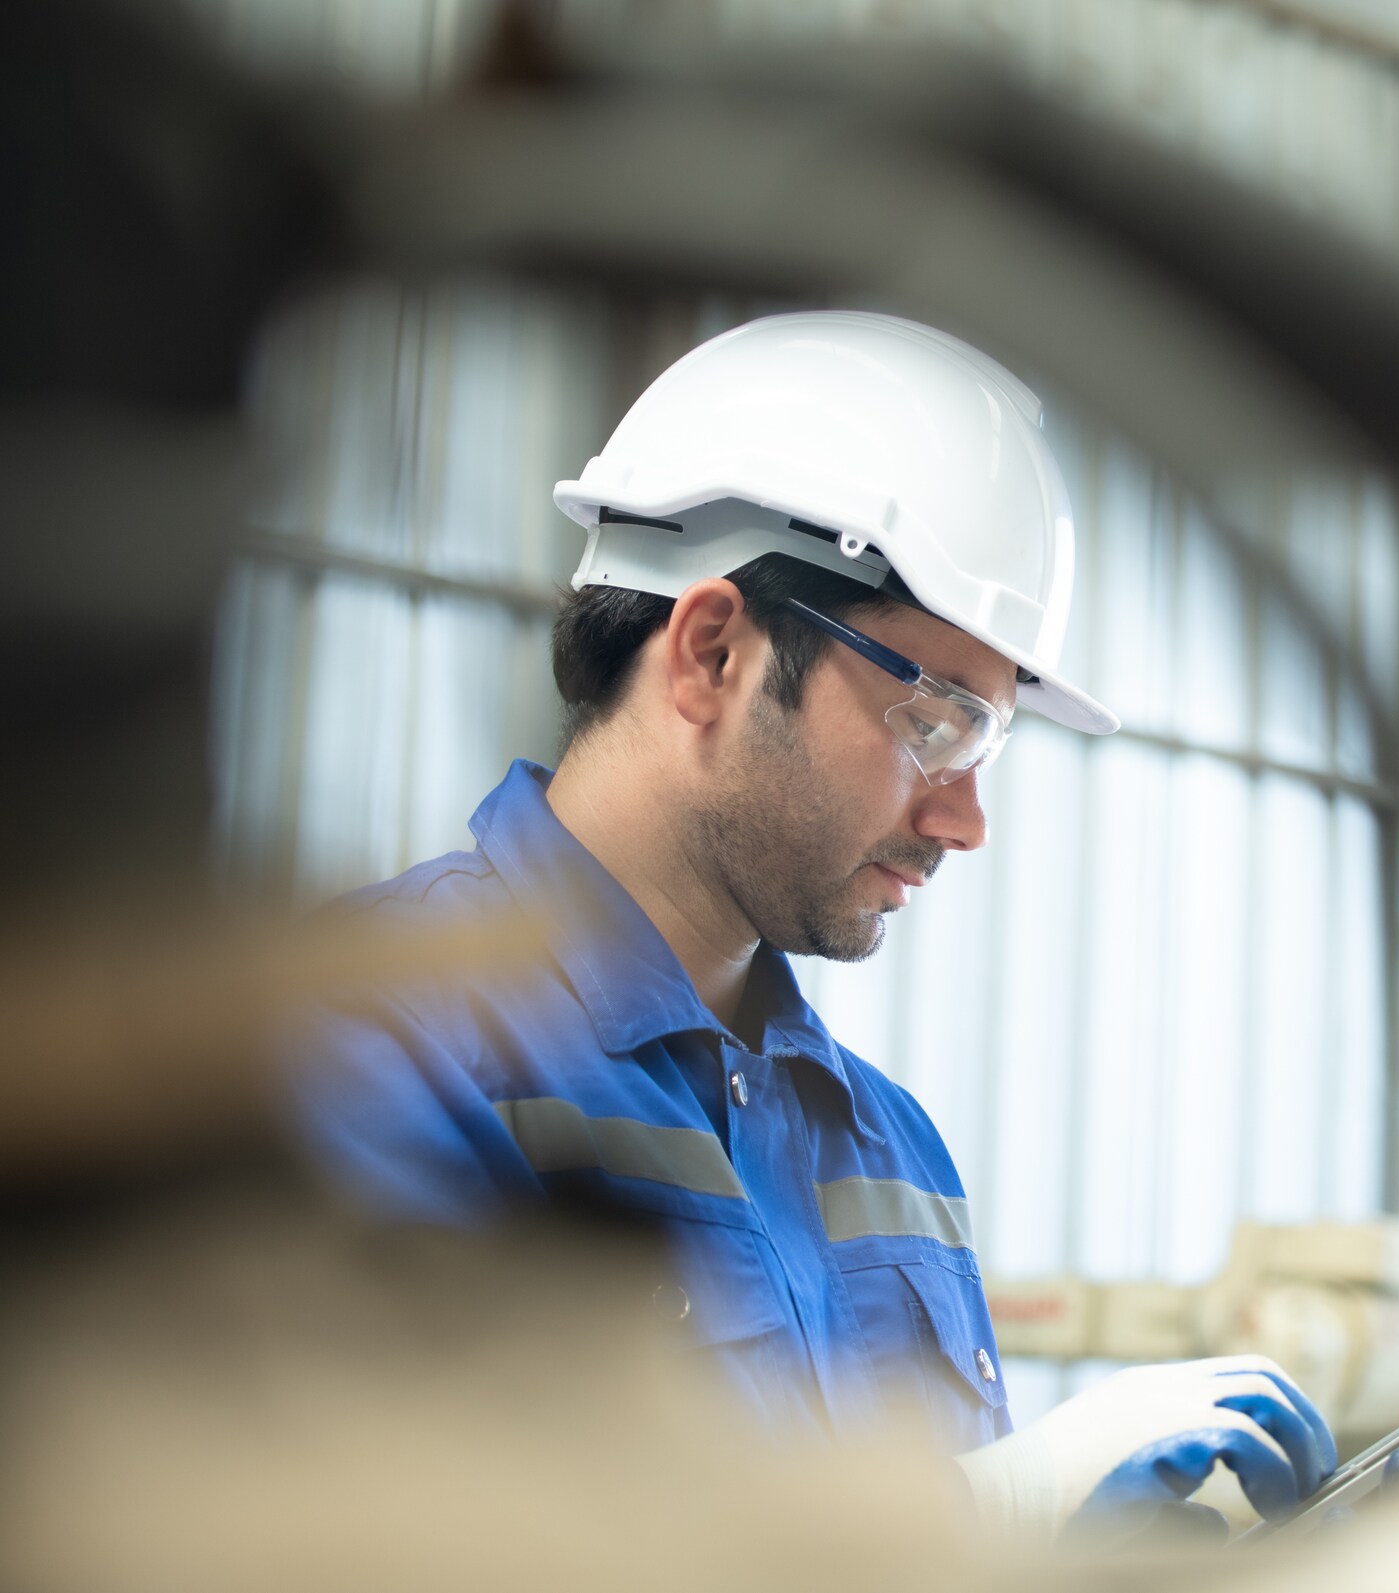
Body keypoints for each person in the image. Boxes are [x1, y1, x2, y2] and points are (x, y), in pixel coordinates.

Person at [294, 311, 1335, 1541]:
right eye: (933, 725)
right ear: (713, 652)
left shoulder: (893, 1152)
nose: (965, 822)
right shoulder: (370, 1048)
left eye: (988, 743)